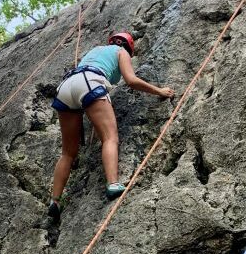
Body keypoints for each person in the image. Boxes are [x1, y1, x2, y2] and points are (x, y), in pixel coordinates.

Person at [48, 32, 175, 219]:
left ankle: (55, 201)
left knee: (68, 153)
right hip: (90, 83)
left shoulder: (95, 50)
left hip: (66, 87)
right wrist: (159, 91)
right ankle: (113, 184)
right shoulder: (120, 52)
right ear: (129, 47)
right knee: (110, 137)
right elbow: (131, 80)